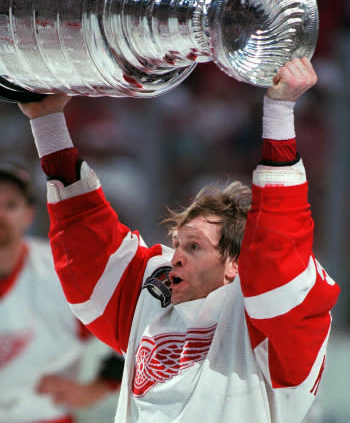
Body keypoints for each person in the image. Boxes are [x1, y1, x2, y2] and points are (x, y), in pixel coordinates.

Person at [18, 57, 340, 423]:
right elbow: (87, 244)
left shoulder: (268, 331)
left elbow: (278, 256)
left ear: (236, 264)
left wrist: (279, 111)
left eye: (195, 246)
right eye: (178, 243)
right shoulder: (155, 298)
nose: (176, 257)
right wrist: (46, 121)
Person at [0, 162, 124, 423]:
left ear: (28, 215)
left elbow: (132, 329)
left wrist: (99, 388)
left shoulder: (63, 274)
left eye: (10, 205)